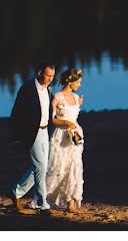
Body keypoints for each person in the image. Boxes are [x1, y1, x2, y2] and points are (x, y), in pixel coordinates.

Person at [9, 62, 55, 214]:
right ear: (40, 72)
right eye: (48, 75)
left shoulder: (48, 89)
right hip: (32, 132)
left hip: (44, 131)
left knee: (40, 167)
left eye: (53, 76)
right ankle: (43, 205)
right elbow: (16, 112)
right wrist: (17, 136)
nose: (50, 79)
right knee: (41, 167)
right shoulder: (27, 88)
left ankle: (16, 192)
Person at [46, 68, 85, 212]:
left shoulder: (76, 98)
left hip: (74, 134)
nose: (79, 85)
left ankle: (70, 202)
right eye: (78, 82)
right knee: (59, 166)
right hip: (60, 135)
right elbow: (52, 120)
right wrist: (66, 123)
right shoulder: (57, 97)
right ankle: (48, 197)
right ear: (70, 82)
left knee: (73, 166)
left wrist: (73, 124)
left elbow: (73, 113)